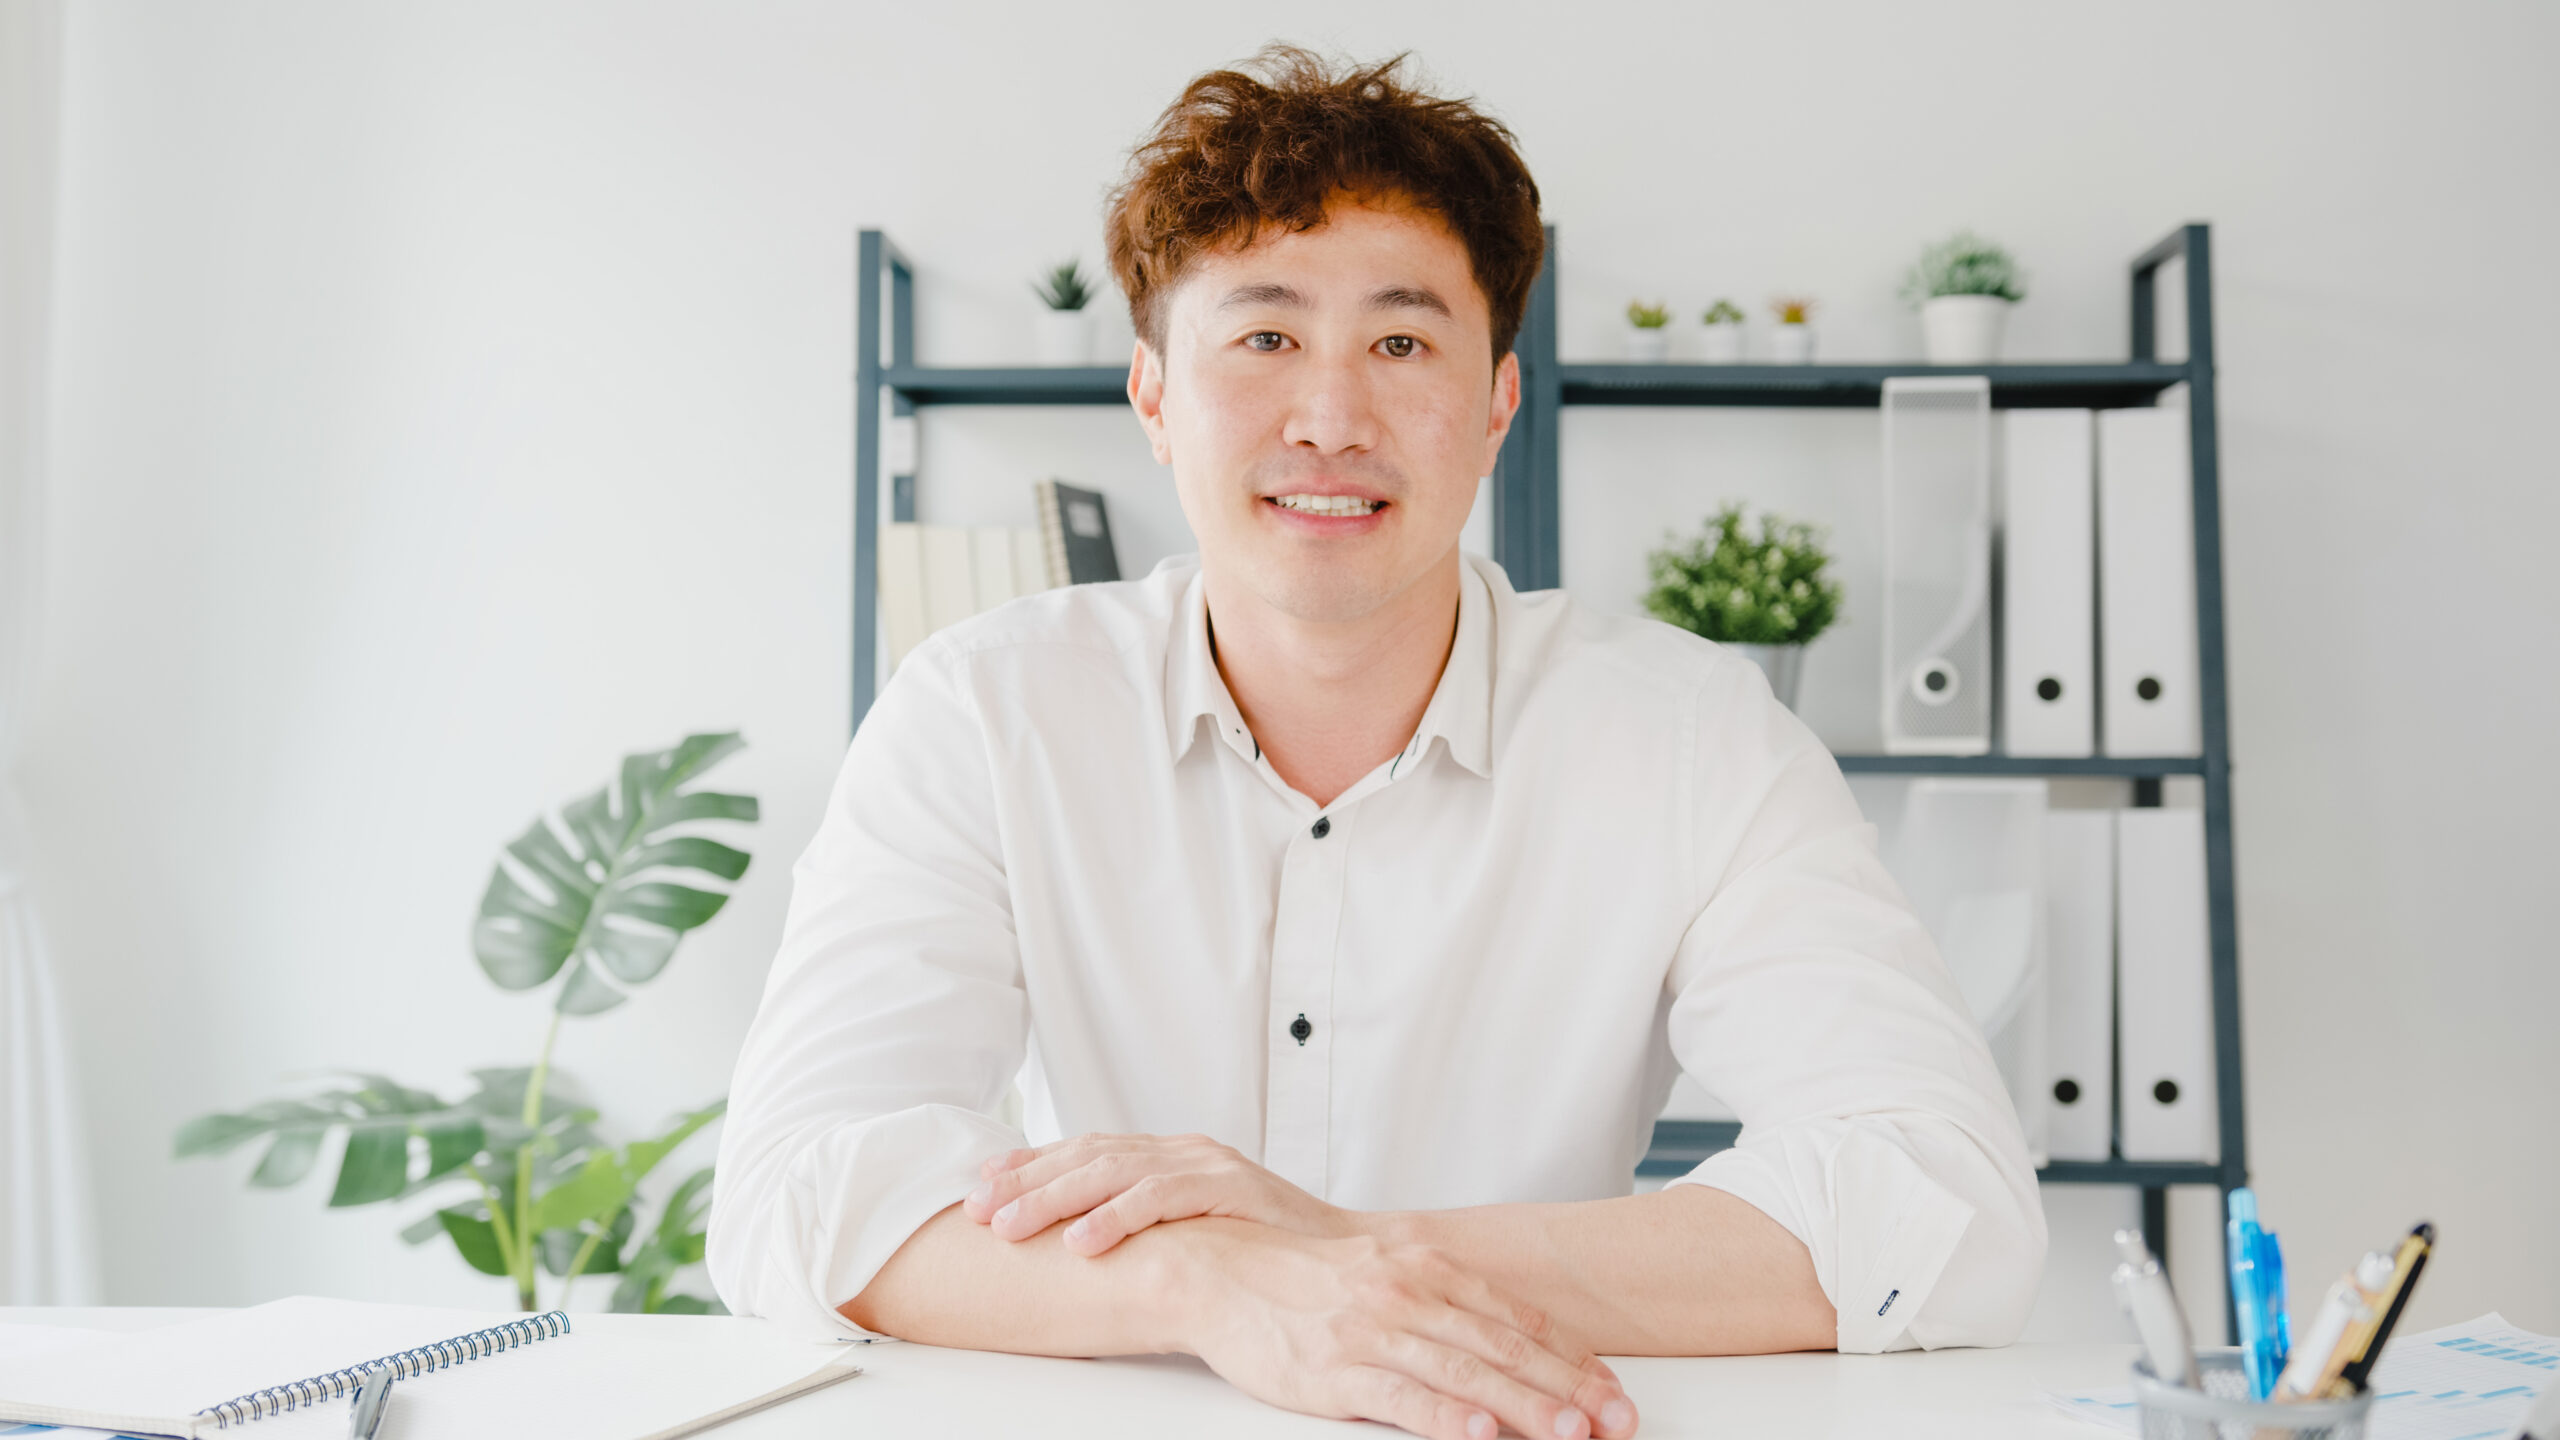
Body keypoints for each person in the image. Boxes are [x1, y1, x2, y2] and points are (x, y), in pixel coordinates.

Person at [709, 45, 2044, 1440]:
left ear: (1495, 406)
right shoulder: (987, 712)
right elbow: (796, 1194)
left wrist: (1339, 1253)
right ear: (1155, 396)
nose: (1333, 420)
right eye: (1265, 338)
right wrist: (1208, 1291)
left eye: (1402, 343)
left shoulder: (1695, 738)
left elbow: (1944, 1207)